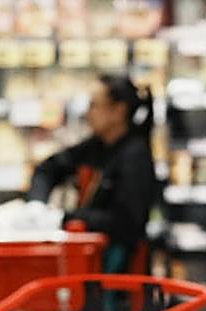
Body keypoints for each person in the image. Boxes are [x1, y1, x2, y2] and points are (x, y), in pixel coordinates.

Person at [28, 74, 158, 273]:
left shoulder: (135, 157)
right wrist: (37, 205)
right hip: (88, 262)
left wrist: (64, 218)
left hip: (119, 274)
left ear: (118, 111)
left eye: (94, 105)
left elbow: (125, 222)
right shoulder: (96, 146)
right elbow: (48, 169)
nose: (88, 113)